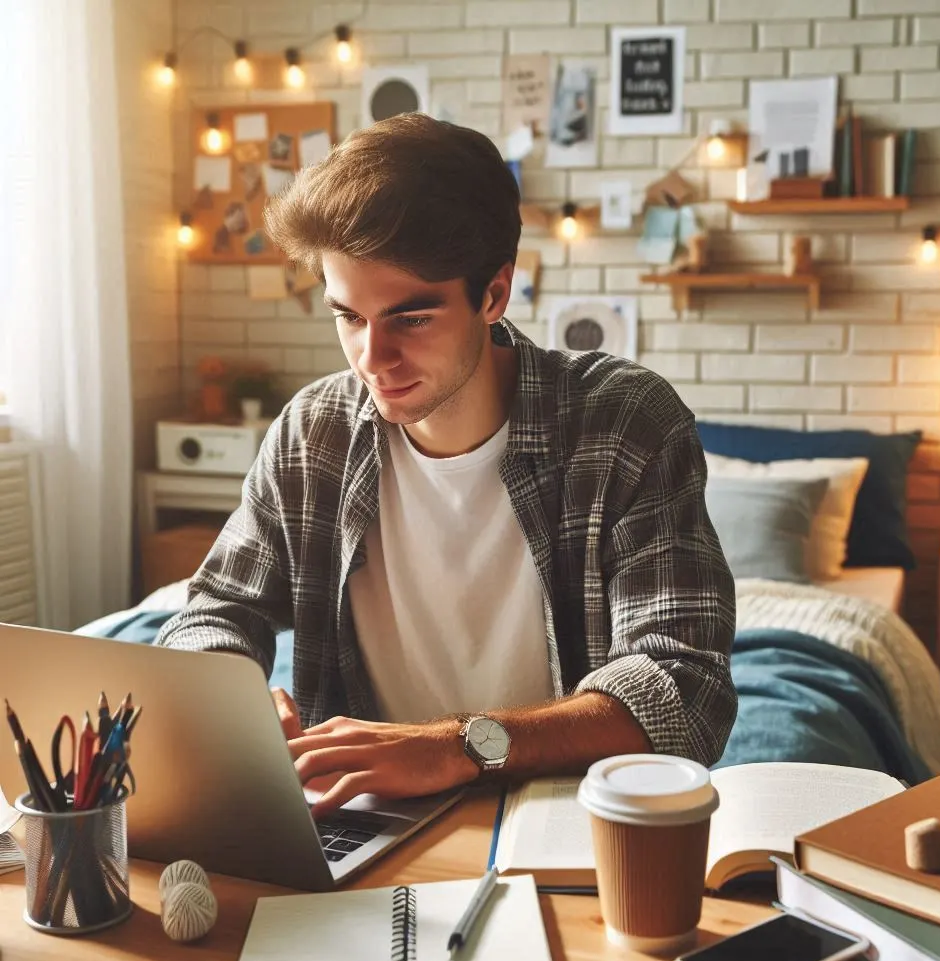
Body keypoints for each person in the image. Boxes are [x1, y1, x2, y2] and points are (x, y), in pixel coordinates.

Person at [156, 114, 736, 818]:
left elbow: (683, 694)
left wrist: (456, 746)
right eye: (348, 317)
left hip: (558, 820)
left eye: (411, 319)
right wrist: (230, 692)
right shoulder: (314, 433)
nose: (372, 358)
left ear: (493, 294)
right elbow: (217, 607)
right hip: (359, 823)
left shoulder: (624, 421)